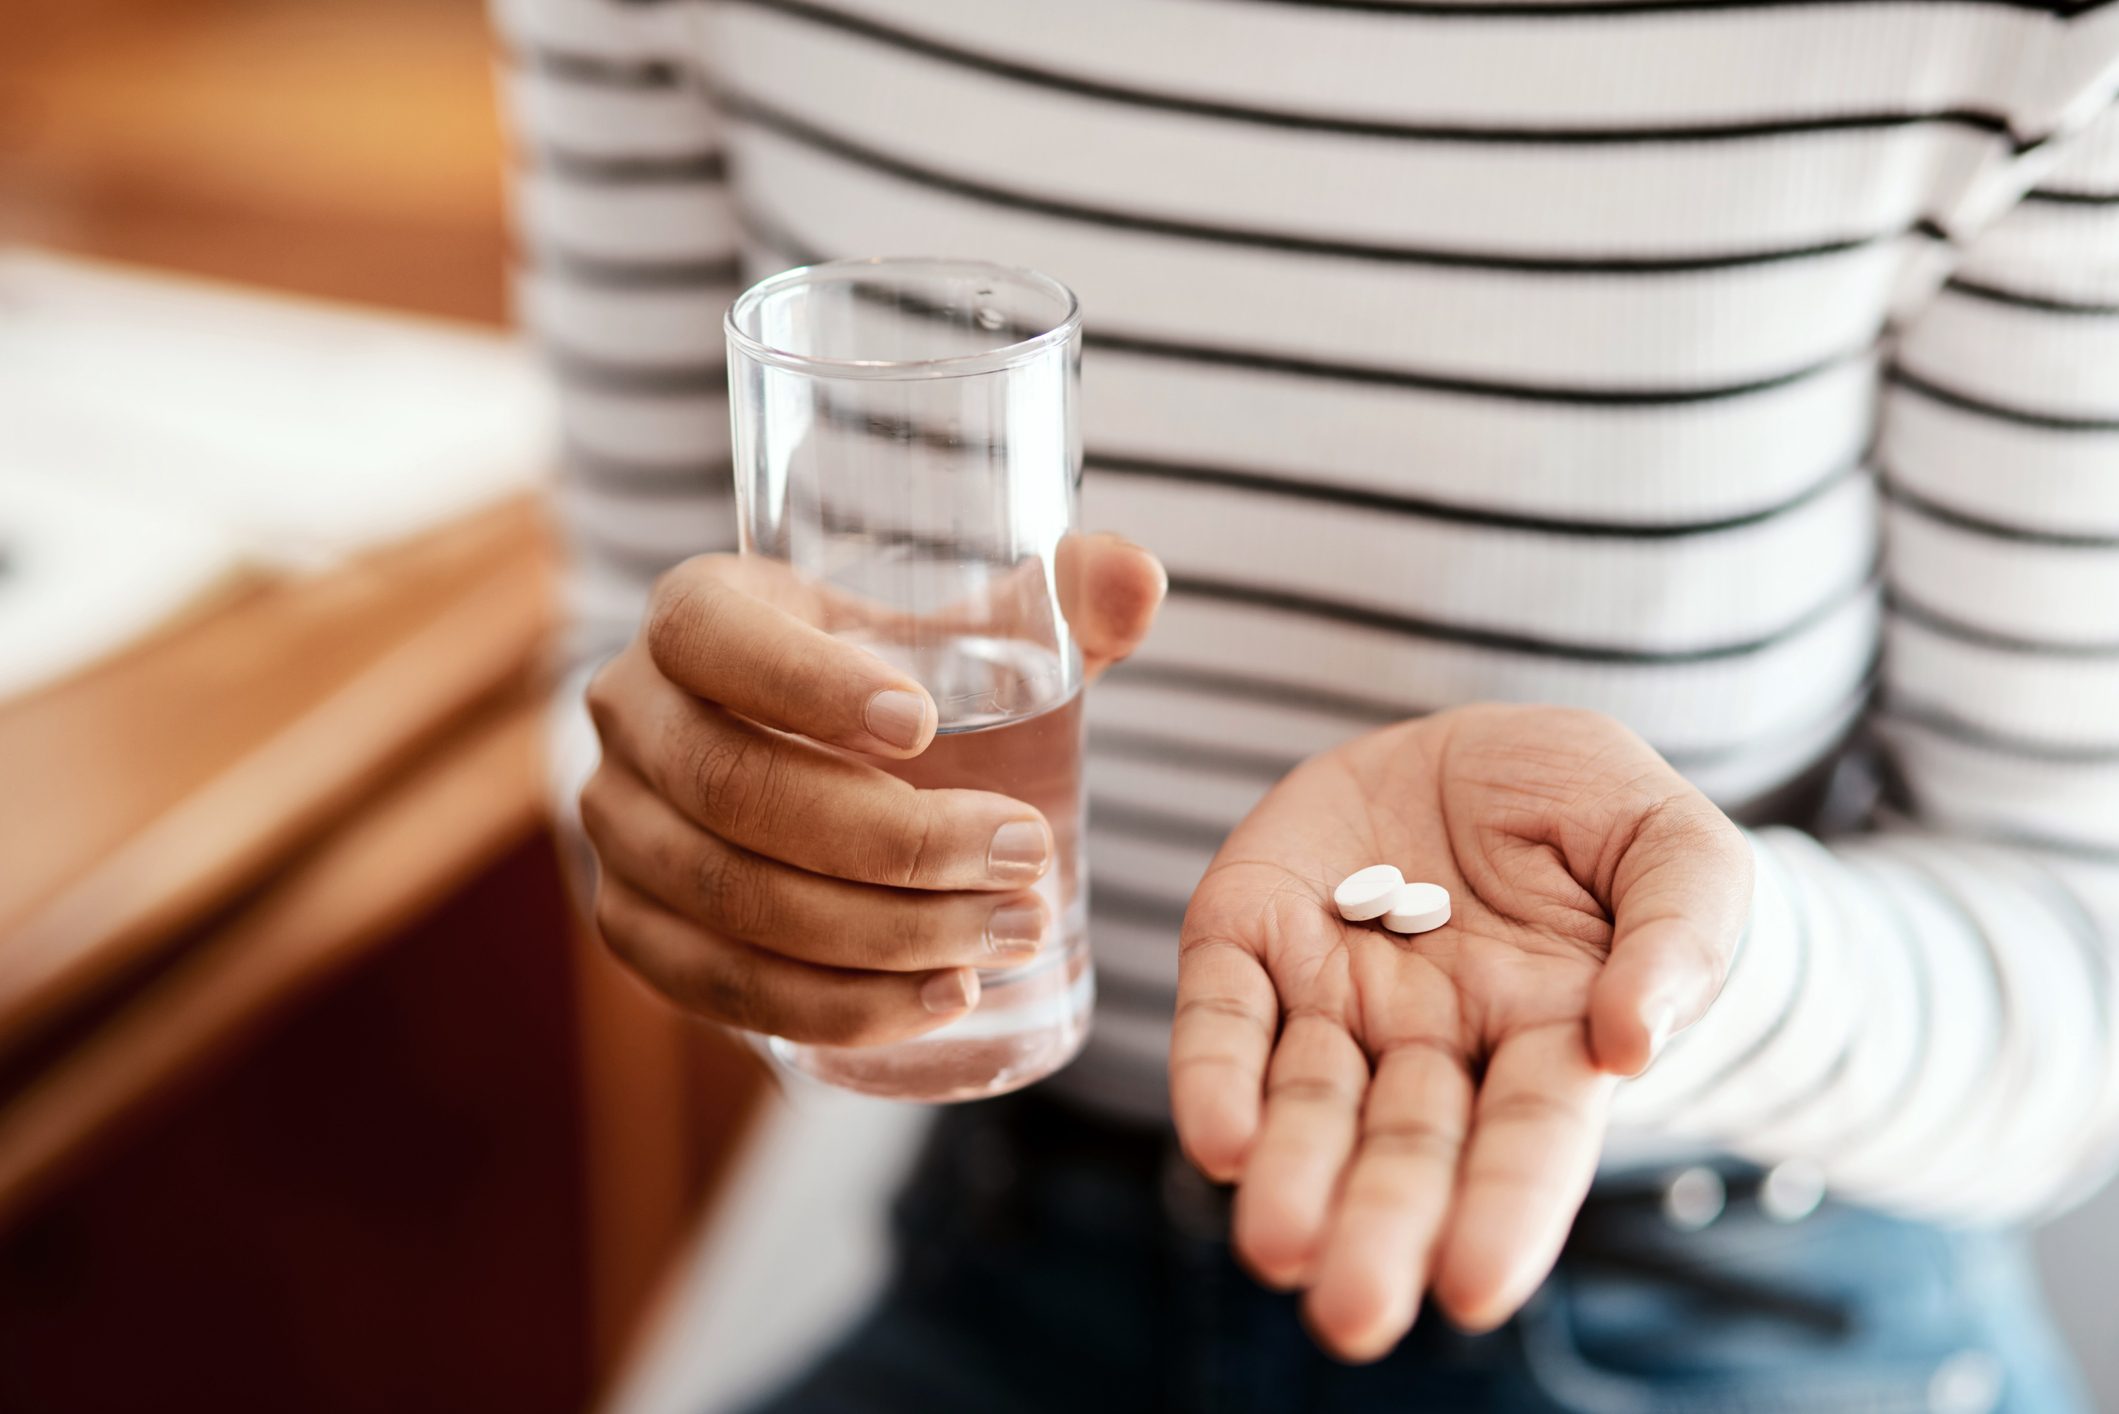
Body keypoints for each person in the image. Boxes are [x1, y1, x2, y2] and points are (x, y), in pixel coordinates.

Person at [494, 0, 2119, 1407]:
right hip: (1019, 1236)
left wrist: (1701, 961)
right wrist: (708, 844)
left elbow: (2079, 971)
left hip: (1718, 1288)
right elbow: (632, 674)